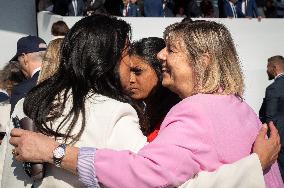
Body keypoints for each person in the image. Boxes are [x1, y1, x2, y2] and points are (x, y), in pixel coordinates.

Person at [9, 17, 282, 188]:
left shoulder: (195, 109)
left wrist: (56, 152)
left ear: (203, 60)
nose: (161, 55)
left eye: (171, 49)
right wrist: (254, 165)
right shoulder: (239, 106)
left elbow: (147, 176)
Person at [119, 37, 180, 141]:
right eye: (128, 71)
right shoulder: (142, 111)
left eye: (138, 71)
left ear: (161, 70)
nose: (130, 79)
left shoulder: (175, 116)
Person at [259, 55, 284, 180]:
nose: (266, 70)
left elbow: (270, 117)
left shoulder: (273, 89)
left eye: (267, 67)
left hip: (280, 142)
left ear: (274, 68)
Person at [10, 35, 47, 113]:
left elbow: (17, 123)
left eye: (18, 60)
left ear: (24, 57)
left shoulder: (22, 90)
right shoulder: (63, 79)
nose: (18, 64)